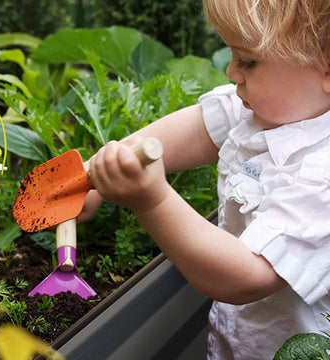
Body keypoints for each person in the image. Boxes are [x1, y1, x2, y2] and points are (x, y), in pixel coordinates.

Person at [77, 1, 330, 359]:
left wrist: (151, 200)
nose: (230, 71)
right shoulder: (266, 109)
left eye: (247, 60)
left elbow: (247, 276)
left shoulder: (322, 173)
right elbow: (198, 130)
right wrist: (93, 174)